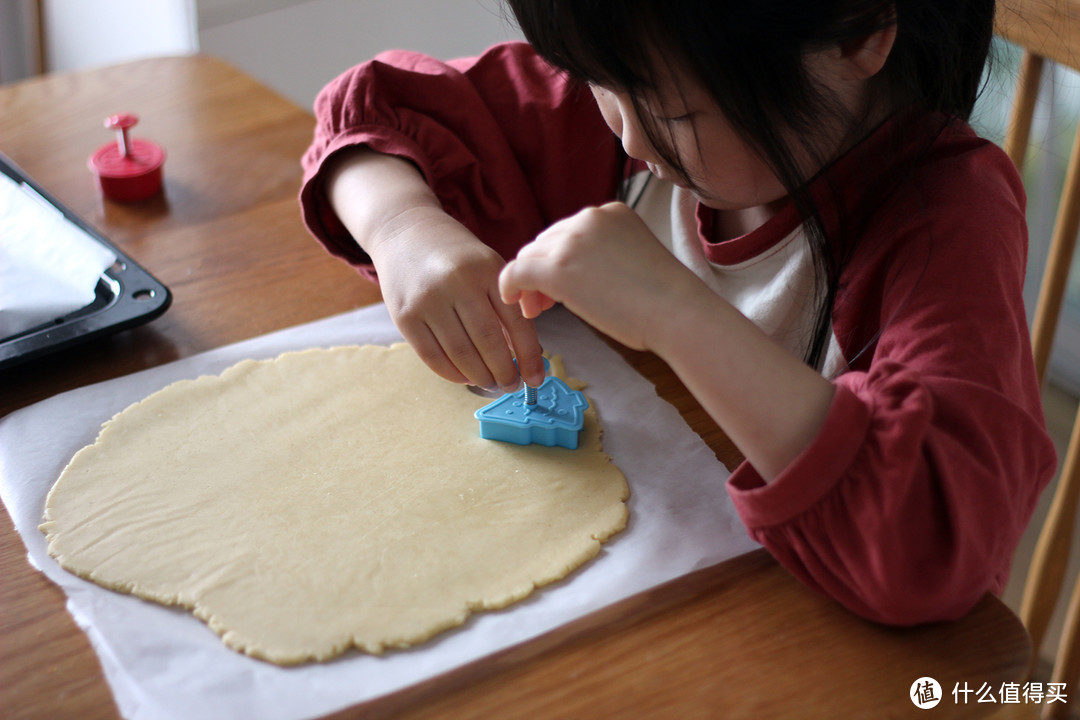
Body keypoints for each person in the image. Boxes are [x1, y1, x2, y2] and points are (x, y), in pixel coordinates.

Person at [299, 0, 1057, 625]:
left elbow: (929, 543)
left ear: (858, 34)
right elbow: (377, 110)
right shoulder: (642, 78)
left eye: (675, 112)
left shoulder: (943, 222)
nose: (626, 133)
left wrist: (671, 307)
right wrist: (404, 229)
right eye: (593, 82)